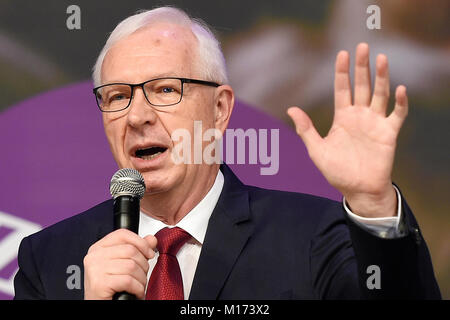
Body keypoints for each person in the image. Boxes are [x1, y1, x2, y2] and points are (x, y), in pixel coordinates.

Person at [14, 6, 441, 300]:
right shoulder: (49, 257)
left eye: (165, 90)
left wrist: (371, 202)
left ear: (220, 109)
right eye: (117, 96)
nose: (137, 116)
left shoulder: (314, 236)